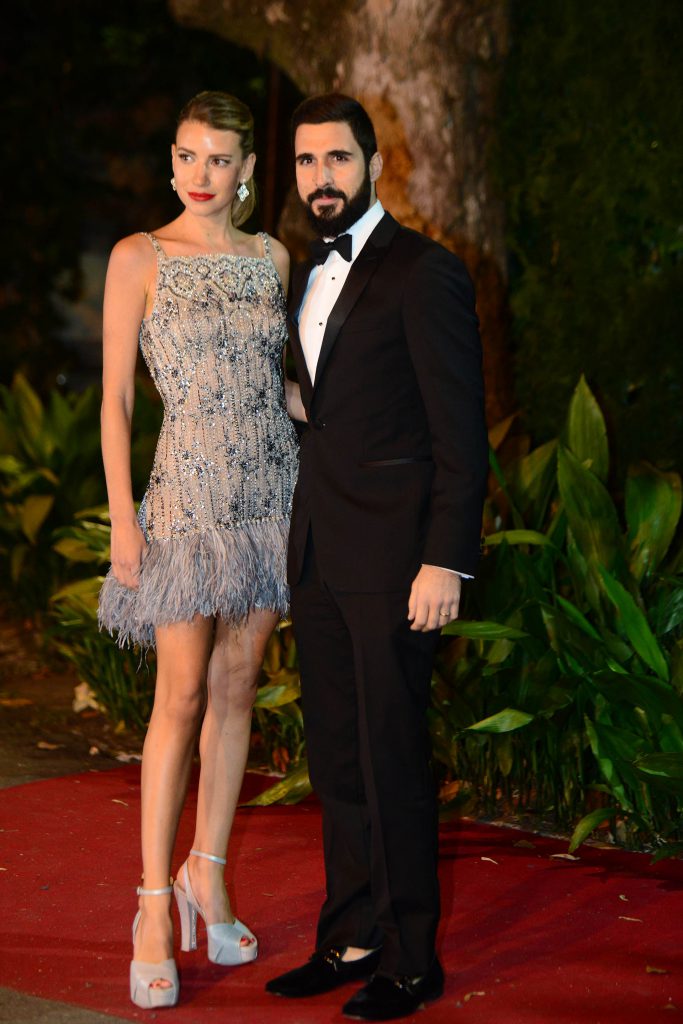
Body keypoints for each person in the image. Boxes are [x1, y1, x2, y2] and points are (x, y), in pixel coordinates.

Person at [265, 94, 488, 1021]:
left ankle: (410, 958)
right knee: (337, 757)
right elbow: (332, 403)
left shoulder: (423, 271)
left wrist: (446, 561)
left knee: (391, 756)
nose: (321, 177)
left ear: (372, 163)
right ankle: (350, 934)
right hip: (319, 552)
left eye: (337, 159)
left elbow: (460, 434)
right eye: (306, 161)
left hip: (397, 560)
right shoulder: (304, 273)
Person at [97, 90, 301, 1009]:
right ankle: (152, 904)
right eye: (187, 156)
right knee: (178, 695)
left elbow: (279, 383)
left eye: (219, 159)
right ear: (171, 160)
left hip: (270, 495)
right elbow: (116, 400)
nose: (201, 175)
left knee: (236, 685)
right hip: (184, 498)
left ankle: (206, 874)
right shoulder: (138, 256)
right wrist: (124, 520)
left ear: (247, 170)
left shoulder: (272, 259)